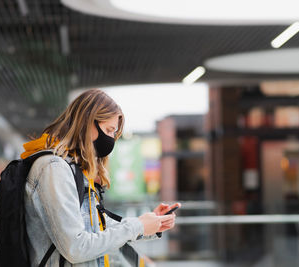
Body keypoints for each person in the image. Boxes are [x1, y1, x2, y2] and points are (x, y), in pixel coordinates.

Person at [20, 89, 180, 266]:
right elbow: (76, 248)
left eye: (114, 133)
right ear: (87, 123)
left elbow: (95, 226)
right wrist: (138, 227)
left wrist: (148, 223)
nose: (111, 139)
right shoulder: (54, 169)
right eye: (109, 130)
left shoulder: (73, 168)